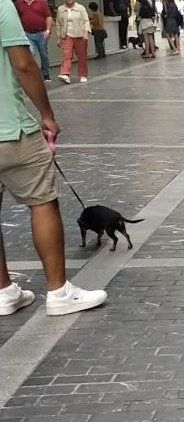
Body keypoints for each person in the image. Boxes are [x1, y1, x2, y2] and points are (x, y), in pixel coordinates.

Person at [0, 0, 108, 317]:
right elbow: (23, 64)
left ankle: (5, 291)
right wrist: (46, 114)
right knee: (43, 201)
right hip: (9, 129)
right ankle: (59, 292)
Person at [14, 0, 52, 81]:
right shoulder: (18, 3)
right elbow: (15, 17)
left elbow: (48, 16)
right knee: (31, 53)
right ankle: (33, 75)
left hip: (41, 34)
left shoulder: (42, 2)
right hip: (27, 34)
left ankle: (46, 74)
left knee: (43, 54)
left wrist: (48, 30)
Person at [55, 0, 90, 83]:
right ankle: (65, 74)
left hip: (80, 35)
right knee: (66, 54)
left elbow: (86, 21)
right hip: (66, 35)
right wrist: (59, 37)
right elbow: (58, 24)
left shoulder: (81, 8)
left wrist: (86, 33)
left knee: (82, 56)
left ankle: (83, 74)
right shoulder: (61, 9)